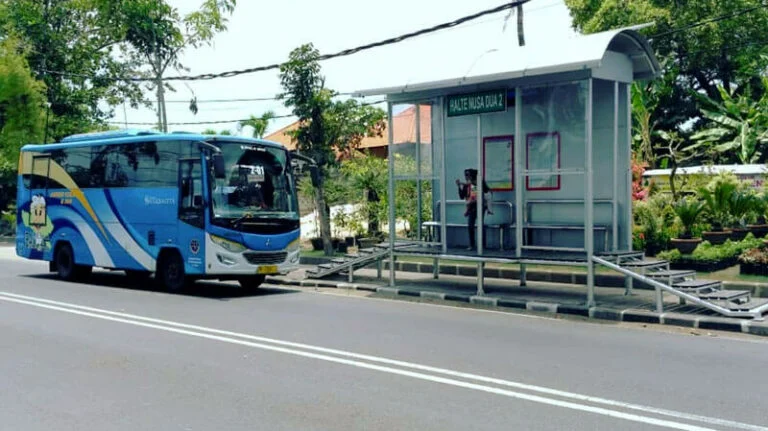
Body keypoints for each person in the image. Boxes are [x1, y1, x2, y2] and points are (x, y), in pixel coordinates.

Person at [456, 168, 492, 250]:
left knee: (480, 225)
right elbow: (462, 196)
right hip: (471, 207)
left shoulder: (478, 183)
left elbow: (485, 190)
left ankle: (483, 245)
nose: (466, 177)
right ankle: (472, 244)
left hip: (480, 206)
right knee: (470, 225)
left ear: (472, 175)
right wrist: (459, 186)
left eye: (468, 175)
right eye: (465, 175)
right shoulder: (466, 185)